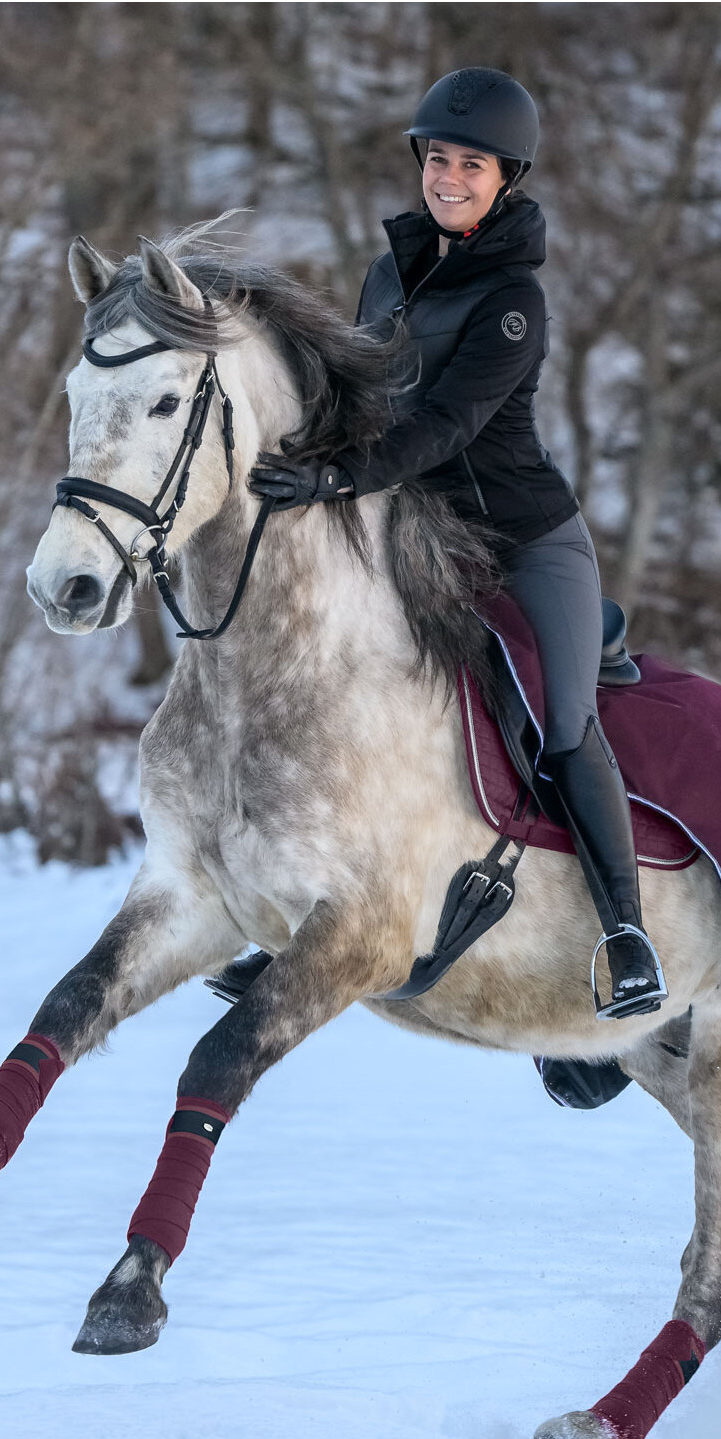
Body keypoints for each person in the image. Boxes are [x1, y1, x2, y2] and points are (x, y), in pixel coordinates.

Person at [248, 67, 666, 1020]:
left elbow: (445, 424)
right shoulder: (390, 271)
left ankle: (625, 933)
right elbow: (356, 396)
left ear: (505, 179)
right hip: (414, 530)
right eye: (438, 158)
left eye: (470, 165)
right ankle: (293, 921)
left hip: (523, 543)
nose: (448, 177)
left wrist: (340, 479)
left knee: (564, 725)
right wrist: (300, 453)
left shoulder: (514, 299)